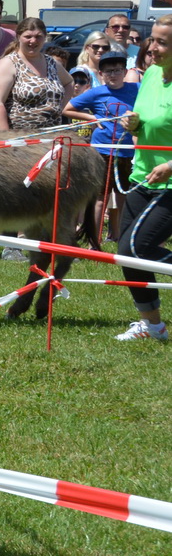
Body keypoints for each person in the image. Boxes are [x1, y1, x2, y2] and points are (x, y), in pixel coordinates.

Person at [114, 18, 172, 341]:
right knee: (127, 255)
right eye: (153, 41)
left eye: (162, 43)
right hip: (142, 177)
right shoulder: (149, 74)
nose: (153, 48)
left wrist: (170, 166)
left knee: (136, 246)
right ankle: (153, 326)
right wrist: (132, 124)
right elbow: (143, 124)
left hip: (169, 183)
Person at [65, 46, 136, 243]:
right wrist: (91, 117)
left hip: (127, 151)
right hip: (102, 151)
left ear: (125, 71)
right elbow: (68, 109)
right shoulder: (96, 93)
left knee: (122, 196)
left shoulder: (135, 89)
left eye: (117, 70)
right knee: (99, 198)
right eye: (109, 71)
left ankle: (120, 237)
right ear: (101, 74)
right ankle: (94, 242)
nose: (113, 74)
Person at [0, 17, 74, 133]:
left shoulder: (52, 63)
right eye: (28, 36)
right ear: (19, 37)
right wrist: (6, 138)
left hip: (50, 137)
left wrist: (59, 108)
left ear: (45, 37)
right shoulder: (9, 63)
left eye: (38, 37)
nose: (33, 41)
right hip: (19, 140)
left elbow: (69, 82)